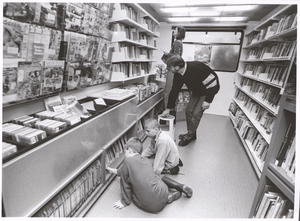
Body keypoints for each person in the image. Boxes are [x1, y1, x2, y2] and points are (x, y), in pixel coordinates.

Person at [106, 137, 193, 213]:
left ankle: (169, 196)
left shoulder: (127, 161)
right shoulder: (147, 161)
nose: (124, 155)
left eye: (125, 152)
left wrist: (124, 202)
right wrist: (111, 170)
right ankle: (170, 193)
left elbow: (125, 182)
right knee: (155, 176)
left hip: (150, 207)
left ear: (129, 150)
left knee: (133, 186)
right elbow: (124, 171)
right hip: (162, 194)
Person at [162, 55, 220, 147]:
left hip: (208, 91)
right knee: (188, 110)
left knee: (196, 114)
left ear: (177, 67)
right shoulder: (178, 74)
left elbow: (213, 83)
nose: (168, 69)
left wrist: (208, 100)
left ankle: (189, 136)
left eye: (169, 67)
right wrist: (168, 108)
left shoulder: (196, 67)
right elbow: (174, 90)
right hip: (197, 91)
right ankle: (192, 134)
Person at [162, 26, 186, 108]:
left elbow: (176, 56)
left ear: (179, 32)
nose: (174, 31)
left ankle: (167, 109)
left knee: (167, 91)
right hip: (174, 68)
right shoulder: (179, 42)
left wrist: (167, 54)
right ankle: (169, 109)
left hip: (172, 67)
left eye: (175, 30)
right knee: (170, 89)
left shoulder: (177, 42)